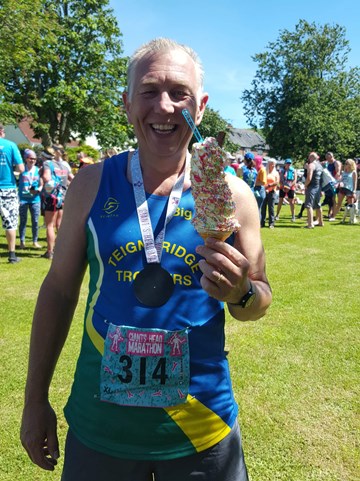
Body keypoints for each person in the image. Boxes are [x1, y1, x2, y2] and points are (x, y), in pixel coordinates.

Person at [20, 38, 272, 481]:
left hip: (201, 429)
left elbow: (259, 299)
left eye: (180, 93)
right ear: (126, 101)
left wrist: (242, 292)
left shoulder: (234, 195)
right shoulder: (91, 184)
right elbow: (59, 291)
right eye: (150, 91)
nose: (165, 106)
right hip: (101, 428)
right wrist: (34, 399)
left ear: (203, 105)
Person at [41, 145, 74, 259]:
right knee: (59, 224)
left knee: (50, 225)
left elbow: (46, 177)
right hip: (62, 197)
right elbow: (71, 178)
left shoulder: (47, 164)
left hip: (52, 197)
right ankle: (61, 249)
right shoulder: (62, 165)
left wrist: (47, 186)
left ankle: (50, 252)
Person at [0, 122, 24, 263]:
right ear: (2, 131)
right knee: (10, 222)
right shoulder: (10, 145)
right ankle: (12, 255)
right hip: (7, 188)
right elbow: (21, 168)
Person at [18, 149, 43, 249]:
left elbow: (41, 184)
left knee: (35, 221)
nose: (32, 160)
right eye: (30, 158)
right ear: (26, 158)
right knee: (23, 221)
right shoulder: (21, 169)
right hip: (23, 199)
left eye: (34, 159)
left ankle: (35, 241)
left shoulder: (38, 170)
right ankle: (22, 242)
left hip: (35, 199)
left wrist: (39, 189)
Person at [303, 152, 324, 229]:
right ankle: (321, 222)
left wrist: (305, 185)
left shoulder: (311, 165)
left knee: (309, 205)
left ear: (310, 157)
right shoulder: (320, 166)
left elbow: (309, 177)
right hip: (318, 187)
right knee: (318, 205)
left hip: (311, 187)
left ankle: (310, 223)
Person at [261, 158, 279, 228]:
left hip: (272, 192)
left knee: (271, 208)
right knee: (263, 208)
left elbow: (277, 182)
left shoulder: (276, 173)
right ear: (268, 164)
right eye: (271, 164)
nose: (273, 165)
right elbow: (262, 181)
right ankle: (262, 222)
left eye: (274, 164)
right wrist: (265, 188)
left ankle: (271, 223)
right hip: (264, 191)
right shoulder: (265, 172)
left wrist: (269, 186)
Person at [325, 152, 342, 219]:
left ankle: (333, 214)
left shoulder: (336, 163)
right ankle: (331, 213)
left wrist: (334, 182)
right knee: (331, 199)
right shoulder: (328, 163)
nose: (328, 159)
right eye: (327, 158)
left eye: (329, 158)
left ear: (332, 157)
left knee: (336, 199)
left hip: (336, 183)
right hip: (330, 182)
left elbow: (338, 173)